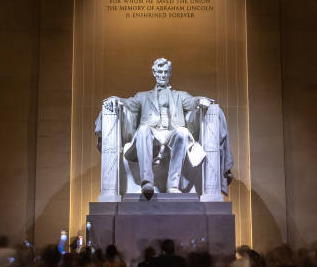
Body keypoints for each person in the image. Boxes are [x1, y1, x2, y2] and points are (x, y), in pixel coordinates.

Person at [98, 58, 232, 193]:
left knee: (183, 132)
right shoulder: (143, 96)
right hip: (152, 133)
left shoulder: (180, 95)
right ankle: (147, 182)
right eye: (160, 72)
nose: (162, 75)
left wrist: (200, 100)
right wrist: (116, 99)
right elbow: (128, 103)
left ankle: (173, 185)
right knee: (143, 129)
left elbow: (192, 101)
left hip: (171, 134)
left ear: (169, 74)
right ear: (154, 73)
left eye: (165, 72)